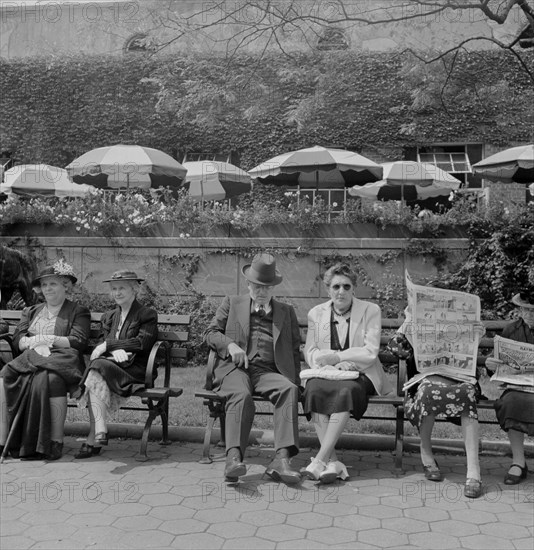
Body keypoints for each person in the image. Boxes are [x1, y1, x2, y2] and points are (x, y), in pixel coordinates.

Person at [204, 253, 302, 484]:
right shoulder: (232, 302)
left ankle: (282, 459)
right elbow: (210, 333)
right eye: (257, 286)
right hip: (235, 368)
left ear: (273, 288)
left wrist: (296, 380)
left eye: (266, 287)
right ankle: (234, 458)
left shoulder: (286, 311)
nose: (261, 291)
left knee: (288, 389)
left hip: (269, 370)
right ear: (248, 284)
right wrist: (230, 345)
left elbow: (295, 348)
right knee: (241, 394)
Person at [388, 285, 486, 499]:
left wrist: (476, 334)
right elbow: (397, 350)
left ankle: (473, 471)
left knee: (467, 395)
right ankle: (426, 454)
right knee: (428, 393)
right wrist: (408, 327)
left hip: (460, 378)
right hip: (425, 379)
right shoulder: (411, 321)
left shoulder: (463, 321)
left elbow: (470, 352)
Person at [301, 263, 393, 483]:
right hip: (327, 372)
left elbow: (371, 351)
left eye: (346, 286)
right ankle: (332, 463)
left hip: (361, 373)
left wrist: (340, 358)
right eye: (335, 286)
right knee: (313, 390)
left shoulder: (370, 311)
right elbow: (310, 350)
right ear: (328, 289)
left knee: (346, 391)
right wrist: (331, 365)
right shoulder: (317, 313)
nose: (340, 291)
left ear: (354, 289)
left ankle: (320, 459)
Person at [0, 260, 90, 460]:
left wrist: (50, 339)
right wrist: (31, 342)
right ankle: (4, 439)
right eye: (45, 285)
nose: (48, 288)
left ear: (65, 285)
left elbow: (79, 341)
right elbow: (17, 340)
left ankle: (55, 441)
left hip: (62, 360)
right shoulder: (30, 311)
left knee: (52, 380)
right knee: (4, 377)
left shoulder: (78, 311)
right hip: (31, 358)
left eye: (54, 284)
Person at [75, 270, 158, 459]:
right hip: (111, 366)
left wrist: (110, 345)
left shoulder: (147, 314)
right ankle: (99, 430)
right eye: (114, 289)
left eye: (122, 288)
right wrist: (113, 350)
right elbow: (103, 343)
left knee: (95, 369)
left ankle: (95, 434)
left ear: (134, 290)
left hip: (135, 370)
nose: (117, 293)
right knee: (96, 372)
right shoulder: (109, 316)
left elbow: (142, 343)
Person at [486, 291, 533, 485]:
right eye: (525, 309)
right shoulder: (512, 330)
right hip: (518, 386)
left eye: (533, 310)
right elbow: (499, 366)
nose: (529, 314)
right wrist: (492, 366)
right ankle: (518, 462)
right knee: (510, 401)